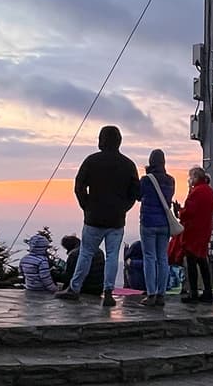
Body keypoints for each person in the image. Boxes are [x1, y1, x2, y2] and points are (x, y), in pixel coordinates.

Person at [57, 125, 140, 307]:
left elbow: (79, 186)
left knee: (85, 254)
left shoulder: (91, 161)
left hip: (93, 217)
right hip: (116, 219)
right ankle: (108, 292)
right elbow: (135, 193)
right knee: (112, 256)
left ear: (101, 140)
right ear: (119, 141)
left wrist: (86, 206)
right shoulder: (128, 164)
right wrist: (123, 208)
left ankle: (74, 288)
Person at [137, 149, 174, 307]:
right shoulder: (171, 180)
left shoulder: (146, 180)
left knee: (149, 258)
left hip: (148, 223)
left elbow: (139, 196)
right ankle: (161, 294)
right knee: (163, 259)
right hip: (164, 224)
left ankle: (151, 294)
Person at [178, 166, 213, 304]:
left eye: (191, 177)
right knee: (202, 260)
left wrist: (179, 211)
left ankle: (193, 293)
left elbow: (188, 212)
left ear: (195, 177)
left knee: (192, 261)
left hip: (193, 231)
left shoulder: (196, 192)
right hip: (204, 229)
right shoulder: (209, 191)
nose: (190, 180)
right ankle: (208, 292)